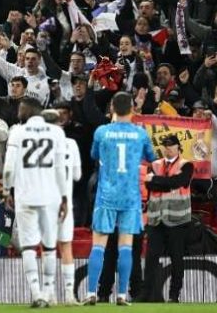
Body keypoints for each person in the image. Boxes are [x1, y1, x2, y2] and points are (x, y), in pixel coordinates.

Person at [83, 92, 156, 306]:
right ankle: (123, 295)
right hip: (131, 196)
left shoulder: (102, 132)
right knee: (126, 246)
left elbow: (94, 155)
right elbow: (151, 157)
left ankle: (90, 293)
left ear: (112, 107)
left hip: (106, 194)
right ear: (133, 108)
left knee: (99, 246)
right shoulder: (140, 133)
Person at [3, 97, 68, 307]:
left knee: (29, 246)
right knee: (49, 246)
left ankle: (36, 293)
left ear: (29, 110)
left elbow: (9, 167)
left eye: (21, 108)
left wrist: (6, 190)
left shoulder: (17, 132)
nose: (18, 111)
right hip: (50, 195)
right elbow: (60, 168)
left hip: (26, 195)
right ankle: (49, 293)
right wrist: (65, 197)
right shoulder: (57, 132)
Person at [139, 134, 193, 303]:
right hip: (156, 220)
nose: (167, 148)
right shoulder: (154, 164)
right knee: (151, 259)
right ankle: (145, 294)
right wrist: (166, 183)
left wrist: (157, 180)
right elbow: (150, 185)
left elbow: (179, 181)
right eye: (165, 146)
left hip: (178, 220)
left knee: (177, 258)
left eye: (171, 145)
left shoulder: (187, 165)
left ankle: (174, 295)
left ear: (178, 147)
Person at [43, 109, 82, 304]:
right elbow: (77, 176)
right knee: (66, 246)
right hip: (64, 201)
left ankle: (49, 294)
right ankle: (69, 294)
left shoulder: (40, 145)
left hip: (45, 201)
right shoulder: (71, 144)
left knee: (48, 248)